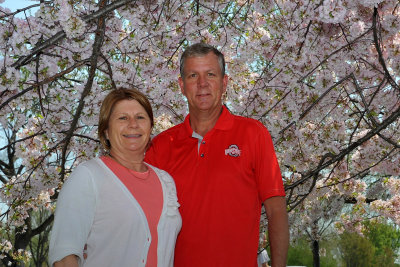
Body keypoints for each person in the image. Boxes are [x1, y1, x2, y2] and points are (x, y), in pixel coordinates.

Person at [145, 43, 289, 266]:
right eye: (193, 75)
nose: (202, 84)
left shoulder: (253, 134)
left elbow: (276, 210)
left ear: (224, 83)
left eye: (210, 74)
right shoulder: (162, 145)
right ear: (182, 85)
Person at [49, 88, 181, 267]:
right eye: (122, 118)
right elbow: (65, 257)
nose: (133, 124)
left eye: (140, 117)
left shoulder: (166, 182)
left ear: (150, 127)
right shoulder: (89, 176)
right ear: (106, 131)